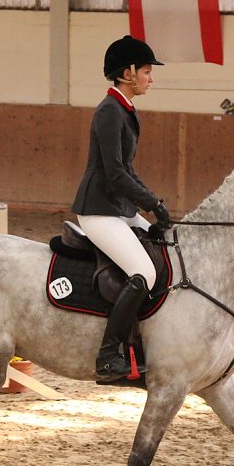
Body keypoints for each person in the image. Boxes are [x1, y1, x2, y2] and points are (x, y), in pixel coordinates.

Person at [71, 35, 171, 383]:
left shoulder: (125, 109)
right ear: (128, 72)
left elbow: (127, 169)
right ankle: (109, 355)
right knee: (143, 272)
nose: (150, 78)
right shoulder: (109, 111)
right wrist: (151, 203)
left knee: (165, 249)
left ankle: (141, 342)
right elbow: (113, 173)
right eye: (146, 71)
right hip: (99, 210)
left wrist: (152, 204)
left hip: (119, 207)